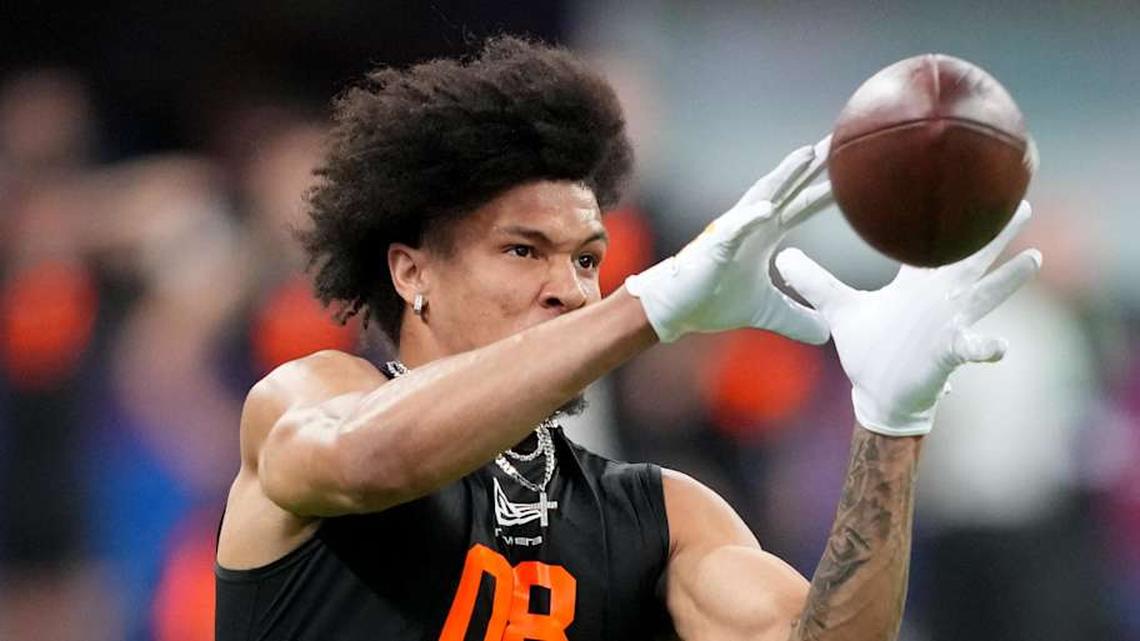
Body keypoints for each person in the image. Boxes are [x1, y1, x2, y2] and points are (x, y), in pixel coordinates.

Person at [214, 36, 1042, 641]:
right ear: (410, 272)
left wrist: (890, 423)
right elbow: (373, 461)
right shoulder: (311, 396)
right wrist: (648, 306)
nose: (570, 288)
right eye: (522, 250)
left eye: (588, 260)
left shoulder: (659, 514)